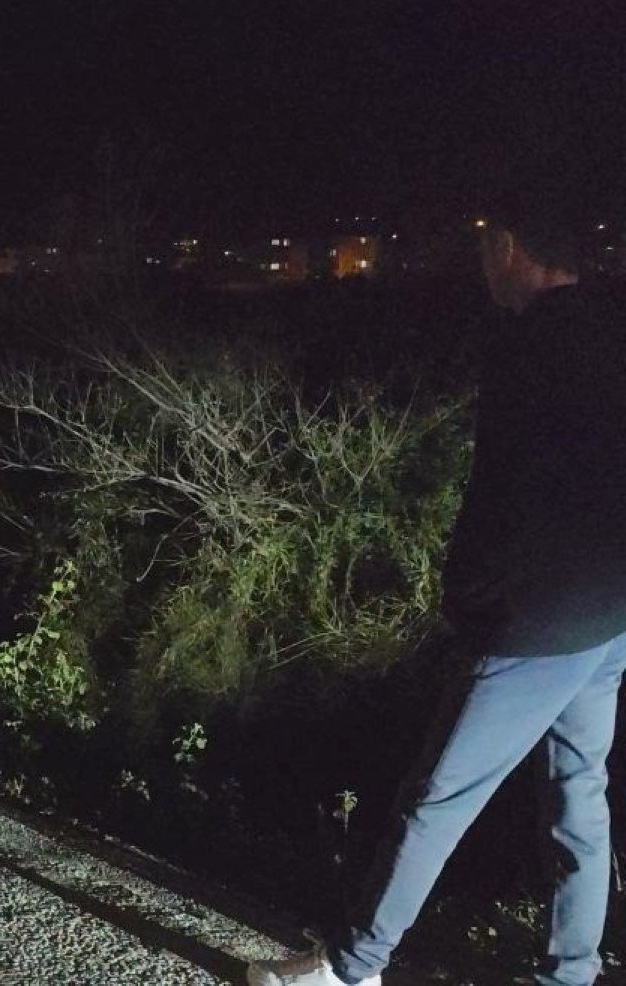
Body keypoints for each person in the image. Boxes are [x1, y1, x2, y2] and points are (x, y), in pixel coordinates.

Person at [247, 211, 626, 986]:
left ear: (512, 248)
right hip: (610, 611)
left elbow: (504, 496)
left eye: (488, 248)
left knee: (438, 799)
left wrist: (475, 602)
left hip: (538, 622)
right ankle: (573, 974)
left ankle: (352, 970)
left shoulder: (528, 347)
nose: (483, 266)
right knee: (579, 794)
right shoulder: (615, 328)